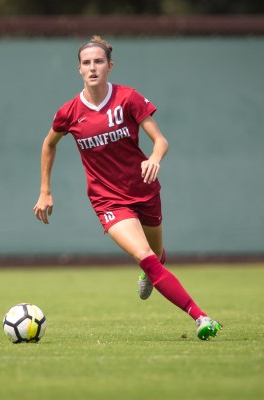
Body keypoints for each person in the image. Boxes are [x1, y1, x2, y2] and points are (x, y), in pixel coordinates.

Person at [33, 35, 221, 340]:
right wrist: (45, 190)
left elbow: (160, 141)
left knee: (156, 257)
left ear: (109, 65)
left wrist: (155, 158)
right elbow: (48, 144)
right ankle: (201, 317)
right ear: (79, 69)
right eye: (86, 63)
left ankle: (152, 270)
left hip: (145, 190)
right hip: (108, 201)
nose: (92, 67)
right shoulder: (69, 112)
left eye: (98, 61)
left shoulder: (128, 99)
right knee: (145, 255)